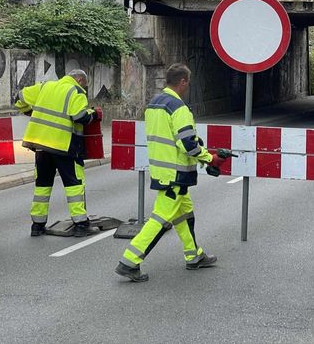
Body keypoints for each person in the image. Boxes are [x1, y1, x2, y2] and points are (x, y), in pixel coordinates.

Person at [115, 63, 227, 283]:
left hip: (162, 169)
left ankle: (194, 255)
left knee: (185, 214)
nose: (188, 86)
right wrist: (209, 158)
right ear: (182, 81)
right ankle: (129, 261)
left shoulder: (154, 104)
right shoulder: (178, 108)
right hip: (175, 173)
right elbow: (187, 143)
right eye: (188, 83)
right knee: (160, 219)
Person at [15, 69, 101, 237]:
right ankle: (81, 224)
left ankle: (37, 226)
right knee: (74, 184)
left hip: (41, 146)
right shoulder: (75, 91)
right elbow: (79, 117)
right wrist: (94, 113)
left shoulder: (45, 86)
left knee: (42, 185)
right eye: (84, 84)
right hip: (64, 145)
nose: (84, 88)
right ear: (78, 79)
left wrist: (29, 112)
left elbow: (19, 98)